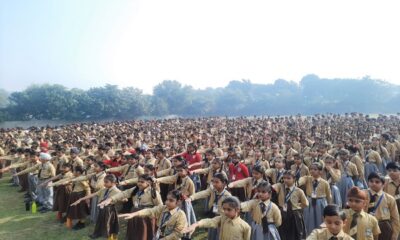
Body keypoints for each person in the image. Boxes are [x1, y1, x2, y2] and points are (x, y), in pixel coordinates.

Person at [99, 174, 162, 240]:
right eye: (138, 181)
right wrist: (111, 199)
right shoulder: (135, 189)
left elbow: (160, 206)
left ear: (148, 183)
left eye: (142, 182)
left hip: (146, 216)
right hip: (134, 212)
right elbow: (123, 194)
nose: (139, 183)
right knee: (133, 232)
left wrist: (158, 220)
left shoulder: (153, 192)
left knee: (143, 233)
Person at [119, 190, 188, 240]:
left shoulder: (180, 215)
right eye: (167, 199)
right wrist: (134, 214)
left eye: (171, 200)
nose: (167, 202)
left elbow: (178, 233)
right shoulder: (163, 208)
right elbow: (150, 211)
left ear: (178, 202)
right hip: (158, 236)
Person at [71, 174, 121, 240]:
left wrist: (122, 199)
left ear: (113, 183)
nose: (104, 184)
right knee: (99, 221)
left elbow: (124, 197)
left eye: (106, 182)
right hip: (102, 209)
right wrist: (81, 199)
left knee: (109, 224)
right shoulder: (104, 190)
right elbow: (93, 194)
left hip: (110, 210)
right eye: (104, 182)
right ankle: (97, 233)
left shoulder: (117, 191)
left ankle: (111, 237)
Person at [187, 172, 231, 240]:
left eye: (217, 182)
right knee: (211, 234)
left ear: (224, 183)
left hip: (222, 218)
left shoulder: (227, 196)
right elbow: (203, 193)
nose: (214, 184)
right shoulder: (213, 190)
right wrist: (191, 197)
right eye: (213, 182)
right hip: (212, 215)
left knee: (220, 236)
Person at [183, 196, 251, 240]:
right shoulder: (223, 219)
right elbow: (210, 221)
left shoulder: (245, 227)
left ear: (237, 210)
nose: (226, 212)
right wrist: (195, 224)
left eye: (229, 209)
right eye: (224, 209)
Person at [273, 170, 308, 240]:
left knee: (295, 234)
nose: (286, 180)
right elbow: (273, 187)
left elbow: (306, 203)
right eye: (284, 178)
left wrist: (297, 206)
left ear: (294, 179)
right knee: (282, 233)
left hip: (294, 215)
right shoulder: (280, 187)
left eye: (288, 178)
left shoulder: (299, 191)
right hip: (282, 213)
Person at [298, 162, 332, 235]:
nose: (312, 171)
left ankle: (321, 234)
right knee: (308, 219)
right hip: (309, 201)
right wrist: (298, 181)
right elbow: (301, 181)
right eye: (311, 169)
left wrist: (329, 206)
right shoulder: (307, 179)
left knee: (320, 219)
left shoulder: (325, 182)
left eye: (315, 169)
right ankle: (309, 235)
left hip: (320, 202)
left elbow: (329, 196)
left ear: (320, 171)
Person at [364, 172, 400, 240]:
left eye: (377, 182)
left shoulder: (389, 199)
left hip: (383, 227)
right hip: (366, 225)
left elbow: (395, 218)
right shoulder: (362, 195)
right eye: (371, 181)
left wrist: (395, 234)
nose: (373, 183)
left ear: (383, 184)